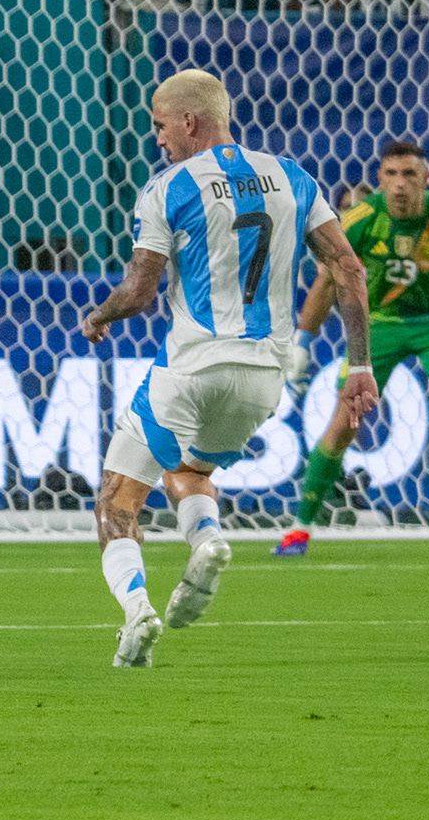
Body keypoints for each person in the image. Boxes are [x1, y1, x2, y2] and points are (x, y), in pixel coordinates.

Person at [78, 69, 375, 668]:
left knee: (116, 498)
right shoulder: (292, 177)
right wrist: (360, 365)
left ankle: (136, 613)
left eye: (160, 125)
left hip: (193, 367)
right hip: (263, 377)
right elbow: (348, 268)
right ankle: (209, 539)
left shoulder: (167, 188)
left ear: (189, 120)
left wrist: (98, 316)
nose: (158, 138)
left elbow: (139, 291)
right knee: (189, 471)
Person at [282, 140, 429, 559]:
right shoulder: (361, 219)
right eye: (391, 174)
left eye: (409, 174)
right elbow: (327, 280)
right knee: (345, 420)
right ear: (380, 179)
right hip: (379, 324)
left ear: (427, 178)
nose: (400, 184)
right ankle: (300, 528)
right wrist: (302, 341)